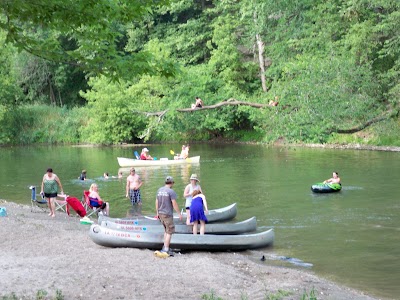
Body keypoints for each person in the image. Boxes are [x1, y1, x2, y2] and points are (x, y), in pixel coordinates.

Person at [155, 176, 182, 256]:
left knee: (166, 230)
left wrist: (157, 212)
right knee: (170, 231)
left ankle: (165, 246)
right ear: (172, 183)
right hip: (167, 214)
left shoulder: (159, 190)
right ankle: (166, 249)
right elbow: (174, 203)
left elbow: (156, 202)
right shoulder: (171, 191)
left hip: (160, 213)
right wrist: (179, 213)